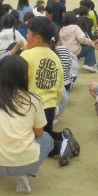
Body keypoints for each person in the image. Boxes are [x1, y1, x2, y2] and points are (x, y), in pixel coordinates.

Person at [0, 55, 54, 194]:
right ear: (24, 76)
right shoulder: (33, 100)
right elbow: (39, 133)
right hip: (23, 163)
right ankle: (24, 174)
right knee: (47, 139)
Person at [21, 16, 78, 166]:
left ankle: (61, 147)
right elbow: (59, 87)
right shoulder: (55, 56)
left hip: (33, 107)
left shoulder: (26, 55)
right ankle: (63, 136)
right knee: (44, 133)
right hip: (50, 106)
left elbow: (22, 82)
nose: (26, 36)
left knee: (36, 141)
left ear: (37, 37)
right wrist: (56, 105)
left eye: (28, 33)